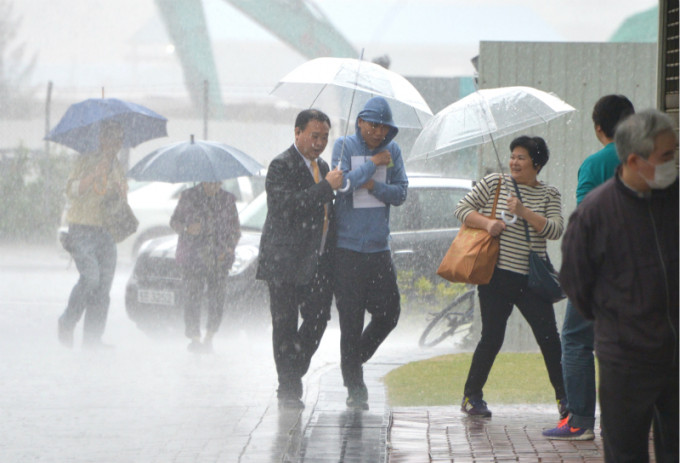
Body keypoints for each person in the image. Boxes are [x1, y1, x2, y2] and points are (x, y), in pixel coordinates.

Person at [560, 109, 678, 462]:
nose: (673, 162)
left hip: (676, 360)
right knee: (626, 453)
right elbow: (576, 283)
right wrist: (619, 320)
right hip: (626, 361)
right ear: (634, 160)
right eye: (666, 156)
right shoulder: (595, 213)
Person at [454, 136, 566, 418]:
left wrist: (523, 211)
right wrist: (488, 223)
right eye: (513, 156)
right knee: (491, 337)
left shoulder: (549, 194)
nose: (514, 162)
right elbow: (461, 209)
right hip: (496, 277)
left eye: (522, 158)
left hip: (532, 281)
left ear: (537, 164)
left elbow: (554, 230)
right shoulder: (495, 183)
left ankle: (566, 399)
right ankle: (472, 396)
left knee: (549, 339)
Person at [543, 94, 634, 440]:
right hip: (646, 270)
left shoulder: (594, 165)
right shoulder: (653, 160)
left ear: (599, 129)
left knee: (577, 339)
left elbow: (586, 224)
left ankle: (580, 421)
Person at [256, 109, 343, 409]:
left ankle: (294, 366)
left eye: (324, 137)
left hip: (316, 260)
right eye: (314, 136)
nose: (319, 143)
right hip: (284, 261)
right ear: (297, 133)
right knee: (284, 324)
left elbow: (326, 211)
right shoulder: (281, 165)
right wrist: (325, 188)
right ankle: (288, 388)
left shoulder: (324, 167)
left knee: (319, 316)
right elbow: (286, 206)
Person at [331, 96, 408, 410]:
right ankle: (355, 386)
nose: (378, 132)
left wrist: (375, 187)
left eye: (384, 127)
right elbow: (343, 186)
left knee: (389, 313)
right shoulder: (344, 146)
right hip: (347, 250)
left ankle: (352, 360)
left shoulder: (394, 152)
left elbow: (401, 193)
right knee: (350, 320)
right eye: (373, 124)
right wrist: (372, 165)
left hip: (378, 248)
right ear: (360, 122)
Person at [57, 121, 127, 349]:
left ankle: (92, 339)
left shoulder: (117, 165)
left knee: (103, 287)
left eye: (120, 140)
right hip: (83, 228)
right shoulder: (86, 159)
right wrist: (92, 176)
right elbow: (71, 190)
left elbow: (119, 202)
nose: (117, 144)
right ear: (102, 139)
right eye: (113, 139)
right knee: (90, 278)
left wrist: (120, 192)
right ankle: (67, 322)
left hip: (106, 232)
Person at [170, 181, 241, 353]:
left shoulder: (227, 200)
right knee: (192, 297)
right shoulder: (188, 197)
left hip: (219, 258)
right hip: (192, 257)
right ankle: (194, 338)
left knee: (217, 299)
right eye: (210, 182)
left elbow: (235, 231)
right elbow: (174, 222)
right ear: (203, 181)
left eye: (217, 182)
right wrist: (187, 228)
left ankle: (209, 337)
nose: (214, 186)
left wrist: (229, 249)